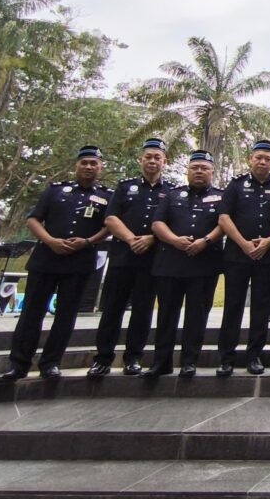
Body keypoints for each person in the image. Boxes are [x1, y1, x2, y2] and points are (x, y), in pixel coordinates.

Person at [0, 146, 112, 383]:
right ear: (77, 165)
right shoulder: (56, 190)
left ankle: (51, 364)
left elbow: (109, 225)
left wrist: (88, 241)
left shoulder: (107, 196)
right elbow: (34, 218)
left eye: (94, 163)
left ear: (101, 167)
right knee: (31, 313)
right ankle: (18, 364)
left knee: (66, 316)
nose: (89, 167)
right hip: (46, 259)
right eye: (84, 163)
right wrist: (49, 241)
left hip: (79, 261)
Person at [88, 138, 173, 378]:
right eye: (149, 156)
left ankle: (134, 357)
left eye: (157, 157)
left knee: (143, 310)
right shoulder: (125, 188)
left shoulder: (170, 191)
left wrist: (151, 239)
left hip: (152, 259)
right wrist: (131, 239)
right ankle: (103, 358)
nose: (153, 161)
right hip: (123, 257)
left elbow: (172, 223)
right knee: (112, 309)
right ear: (141, 159)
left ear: (164, 161)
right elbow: (111, 218)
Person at [145, 150, 224, 378]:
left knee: (197, 316)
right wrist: (174, 240)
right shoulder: (171, 195)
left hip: (204, 263)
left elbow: (224, 222)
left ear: (212, 172)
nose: (199, 172)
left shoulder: (221, 196)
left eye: (204, 168)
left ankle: (189, 361)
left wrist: (205, 241)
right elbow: (157, 223)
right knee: (166, 314)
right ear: (188, 171)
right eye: (195, 168)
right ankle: (161, 362)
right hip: (170, 262)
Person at [215, 140, 270, 377]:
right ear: (250, 159)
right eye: (258, 157)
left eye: (267, 158)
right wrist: (243, 243)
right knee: (233, 306)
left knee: (261, 308)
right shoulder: (235, 186)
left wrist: (269, 241)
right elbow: (224, 218)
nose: (263, 162)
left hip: (268, 255)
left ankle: (254, 355)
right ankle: (227, 357)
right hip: (237, 254)